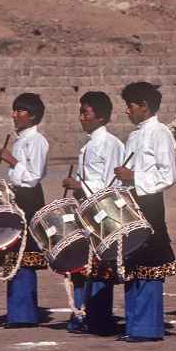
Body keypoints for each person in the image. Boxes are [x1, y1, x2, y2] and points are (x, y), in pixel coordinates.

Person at [114, 82, 176, 342]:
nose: (126, 111)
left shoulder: (160, 133)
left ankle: (148, 327)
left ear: (144, 106)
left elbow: (168, 175)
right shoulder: (134, 136)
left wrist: (134, 177)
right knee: (132, 261)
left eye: (130, 106)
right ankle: (134, 324)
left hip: (149, 204)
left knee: (150, 263)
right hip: (131, 203)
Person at [61, 91, 124, 336]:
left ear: (101, 117)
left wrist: (80, 185)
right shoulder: (87, 146)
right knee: (82, 263)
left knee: (100, 266)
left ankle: (99, 316)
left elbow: (111, 184)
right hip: (85, 210)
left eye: (86, 113)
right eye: (81, 112)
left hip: (102, 213)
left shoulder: (111, 144)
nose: (81, 118)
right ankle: (81, 314)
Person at [0, 93, 50, 328]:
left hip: (29, 200)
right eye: (14, 110)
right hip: (16, 198)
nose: (14, 115)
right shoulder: (20, 140)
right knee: (12, 252)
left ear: (33, 116)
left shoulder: (37, 141)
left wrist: (11, 161)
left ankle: (24, 314)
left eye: (20, 111)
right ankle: (16, 312)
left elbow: (33, 177)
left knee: (24, 255)